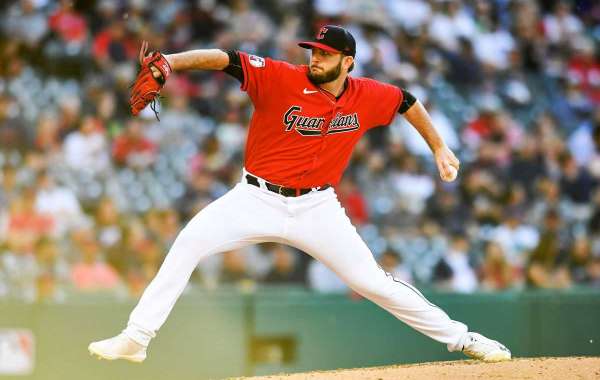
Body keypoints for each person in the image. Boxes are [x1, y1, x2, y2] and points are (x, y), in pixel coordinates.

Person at [89, 25, 510, 363]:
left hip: (317, 207)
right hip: (254, 198)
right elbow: (227, 59)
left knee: (373, 282)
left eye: (325, 54)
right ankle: (136, 338)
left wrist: (438, 146)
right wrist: (172, 63)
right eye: (313, 50)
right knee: (188, 244)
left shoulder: (366, 94)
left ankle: (463, 339)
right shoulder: (280, 77)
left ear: (348, 62)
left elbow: (407, 101)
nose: (316, 57)